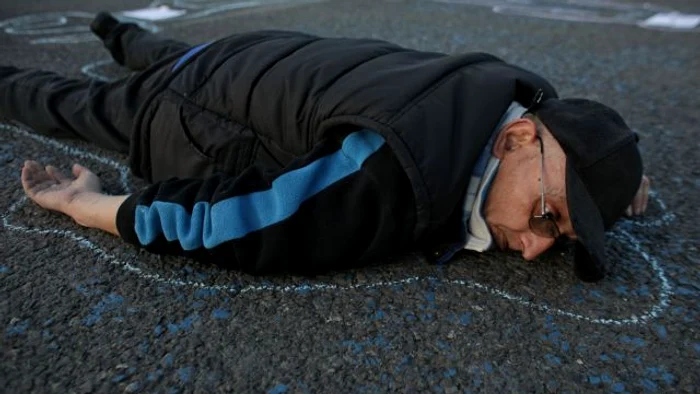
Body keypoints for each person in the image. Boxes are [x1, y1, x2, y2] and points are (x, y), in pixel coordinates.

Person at [2, 12, 650, 282]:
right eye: (549, 215)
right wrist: (87, 205)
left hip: (263, 56)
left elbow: (573, 138)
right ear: (515, 139)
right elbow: (244, 222)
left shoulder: (510, 92)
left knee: (161, 53)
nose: (537, 247)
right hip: (192, 108)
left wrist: (611, 181)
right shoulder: (399, 172)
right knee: (72, 105)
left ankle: (118, 32)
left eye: (560, 238)